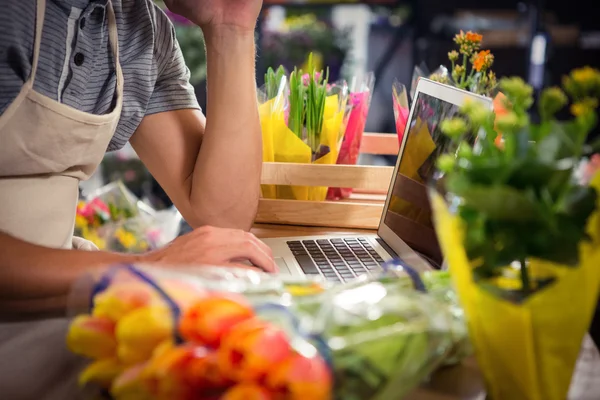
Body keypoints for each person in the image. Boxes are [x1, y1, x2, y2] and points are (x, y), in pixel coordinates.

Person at [0, 0, 274, 397]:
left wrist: (230, 28)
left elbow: (222, 214)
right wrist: (145, 267)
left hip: (55, 311)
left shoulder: (136, 25)